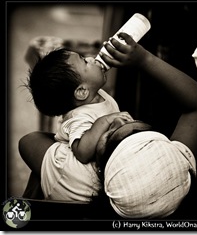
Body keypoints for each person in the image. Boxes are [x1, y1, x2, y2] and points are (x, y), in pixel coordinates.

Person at [19, 32, 197, 218]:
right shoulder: (173, 176)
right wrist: (143, 59)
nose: (128, 122)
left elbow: (29, 142)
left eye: (118, 135)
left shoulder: (79, 177)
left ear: (101, 162)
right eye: (140, 132)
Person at [24, 47, 133, 202]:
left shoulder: (95, 94)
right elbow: (82, 153)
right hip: (73, 178)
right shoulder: (80, 117)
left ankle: (31, 198)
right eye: (85, 61)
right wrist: (104, 121)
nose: (91, 58)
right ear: (82, 91)